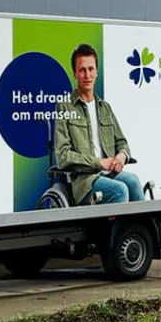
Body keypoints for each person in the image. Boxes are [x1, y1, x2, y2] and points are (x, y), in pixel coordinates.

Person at [52, 43, 144, 204]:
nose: (87, 75)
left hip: (110, 174)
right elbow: (63, 156)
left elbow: (122, 143)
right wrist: (98, 163)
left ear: (96, 72)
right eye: (82, 70)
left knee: (133, 182)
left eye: (91, 69)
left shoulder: (104, 107)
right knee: (119, 190)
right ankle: (121, 230)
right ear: (75, 73)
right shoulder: (64, 106)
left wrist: (121, 157)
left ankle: (140, 230)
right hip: (84, 182)